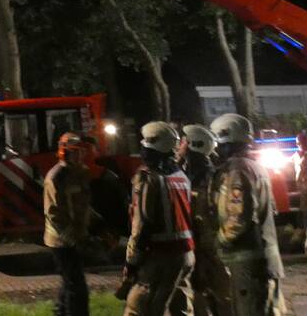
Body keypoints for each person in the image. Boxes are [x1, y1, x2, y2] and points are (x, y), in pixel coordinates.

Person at [209, 113, 286, 316]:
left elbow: (238, 218)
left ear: (227, 141)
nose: (216, 149)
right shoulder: (256, 167)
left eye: (219, 143)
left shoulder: (236, 171)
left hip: (248, 263)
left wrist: (219, 241)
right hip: (264, 259)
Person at [119, 121, 195, 316]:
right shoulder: (181, 176)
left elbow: (142, 224)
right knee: (180, 308)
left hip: (159, 256)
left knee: (139, 308)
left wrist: (132, 261)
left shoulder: (148, 178)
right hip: (186, 254)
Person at [169, 124, 231, 316]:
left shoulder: (199, 176)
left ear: (192, 145)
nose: (179, 146)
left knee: (213, 296)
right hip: (205, 244)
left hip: (205, 245)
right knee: (216, 296)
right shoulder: (207, 173)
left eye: (183, 142)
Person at [44, 132, 92, 316]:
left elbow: (85, 204)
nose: (79, 156)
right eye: (74, 152)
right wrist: (73, 239)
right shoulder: (55, 177)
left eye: (80, 151)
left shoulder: (81, 172)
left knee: (69, 281)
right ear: (64, 152)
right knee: (77, 286)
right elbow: (54, 214)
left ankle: (61, 312)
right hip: (60, 241)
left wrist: (98, 227)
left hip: (76, 236)